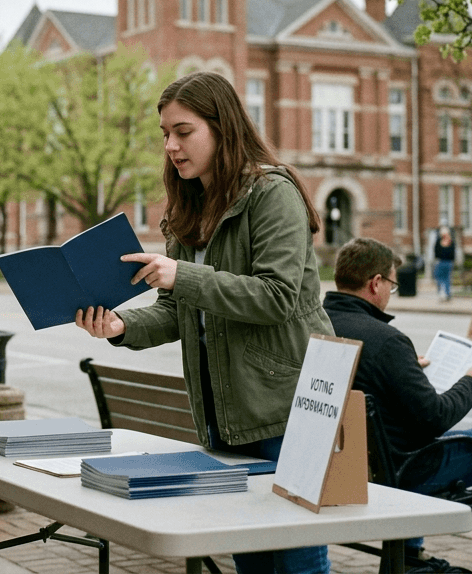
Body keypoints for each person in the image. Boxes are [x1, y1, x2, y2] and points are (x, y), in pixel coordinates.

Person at [74, 71, 333, 574]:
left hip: (289, 407)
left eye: (184, 131)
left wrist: (182, 276)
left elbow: (278, 297)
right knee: (253, 562)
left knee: (298, 561)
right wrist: (121, 328)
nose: (171, 145)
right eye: (165, 134)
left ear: (222, 127)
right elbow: (176, 312)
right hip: (224, 414)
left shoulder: (271, 192)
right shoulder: (189, 204)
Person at [324, 237, 472, 574]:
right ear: (375, 283)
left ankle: (410, 557)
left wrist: (408, 372)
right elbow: (434, 418)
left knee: (406, 430)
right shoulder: (387, 341)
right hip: (403, 474)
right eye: (391, 283)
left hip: (352, 467)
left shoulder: (320, 324)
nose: (392, 290)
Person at [433, 228, 455, 301]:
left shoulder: (451, 242)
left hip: (448, 262)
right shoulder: (438, 241)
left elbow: (452, 254)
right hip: (440, 262)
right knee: (439, 278)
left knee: (447, 279)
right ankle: (441, 293)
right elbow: (436, 252)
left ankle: (447, 294)